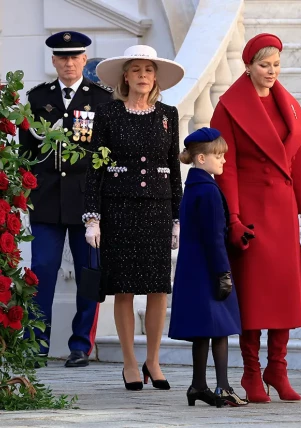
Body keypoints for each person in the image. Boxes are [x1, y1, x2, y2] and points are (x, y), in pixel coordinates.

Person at [210, 33, 301, 403]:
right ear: (248, 66)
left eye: (276, 65)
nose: (272, 72)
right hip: (250, 212)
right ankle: (250, 373)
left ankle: (276, 369)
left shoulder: (290, 105)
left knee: (284, 293)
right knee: (254, 294)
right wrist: (232, 217)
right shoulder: (228, 107)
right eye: (265, 65)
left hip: (281, 213)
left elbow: (296, 165)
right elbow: (224, 167)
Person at [84, 45, 184, 390]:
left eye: (149, 70)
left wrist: (176, 217)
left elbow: (173, 169)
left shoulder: (168, 114)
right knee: (123, 289)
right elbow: (94, 169)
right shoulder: (108, 114)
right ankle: (129, 362)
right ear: (125, 76)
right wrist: (92, 217)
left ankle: (153, 361)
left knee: (158, 289)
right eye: (137, 69)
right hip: (119, 209)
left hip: (156, 209)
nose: (143, 75)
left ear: (156, 77)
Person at [18, 31, 112, 368]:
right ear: (54, 61)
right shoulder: (37, 98)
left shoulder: (102, 100)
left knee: (89, 270)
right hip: (46, 200)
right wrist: (25, 192)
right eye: (62, 57)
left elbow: (108, 154)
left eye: (75, 57)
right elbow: (26, 152)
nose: (69, 63)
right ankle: (36, 344)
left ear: (85, 60)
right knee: (41, 268)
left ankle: (79, 345)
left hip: (88, 201)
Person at [168, 127, 247, 408]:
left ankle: (198, 385)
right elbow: (215, 237)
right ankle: (223, 387)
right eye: (219, 156)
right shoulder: (209, 191)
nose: (223, 160)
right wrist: (223, 273)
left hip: (192, 270)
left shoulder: (192, 187)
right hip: (209, 270)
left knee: (203, 331)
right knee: (220, 330)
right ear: (201, 159)